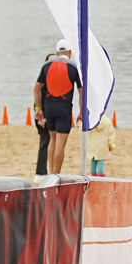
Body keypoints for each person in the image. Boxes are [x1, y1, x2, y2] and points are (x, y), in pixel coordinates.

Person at [37, 44, 81, 175]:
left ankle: (51, 173)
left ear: (57, 51)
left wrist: (38, 108)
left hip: (49, 108)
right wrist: (82, 112)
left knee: (52, 139)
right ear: (70, 52)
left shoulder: (47, 65)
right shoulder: (73, 66)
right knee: (60, 144)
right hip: (64, 108)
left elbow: (36, 88)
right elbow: (81, 91)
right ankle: (57, 174)